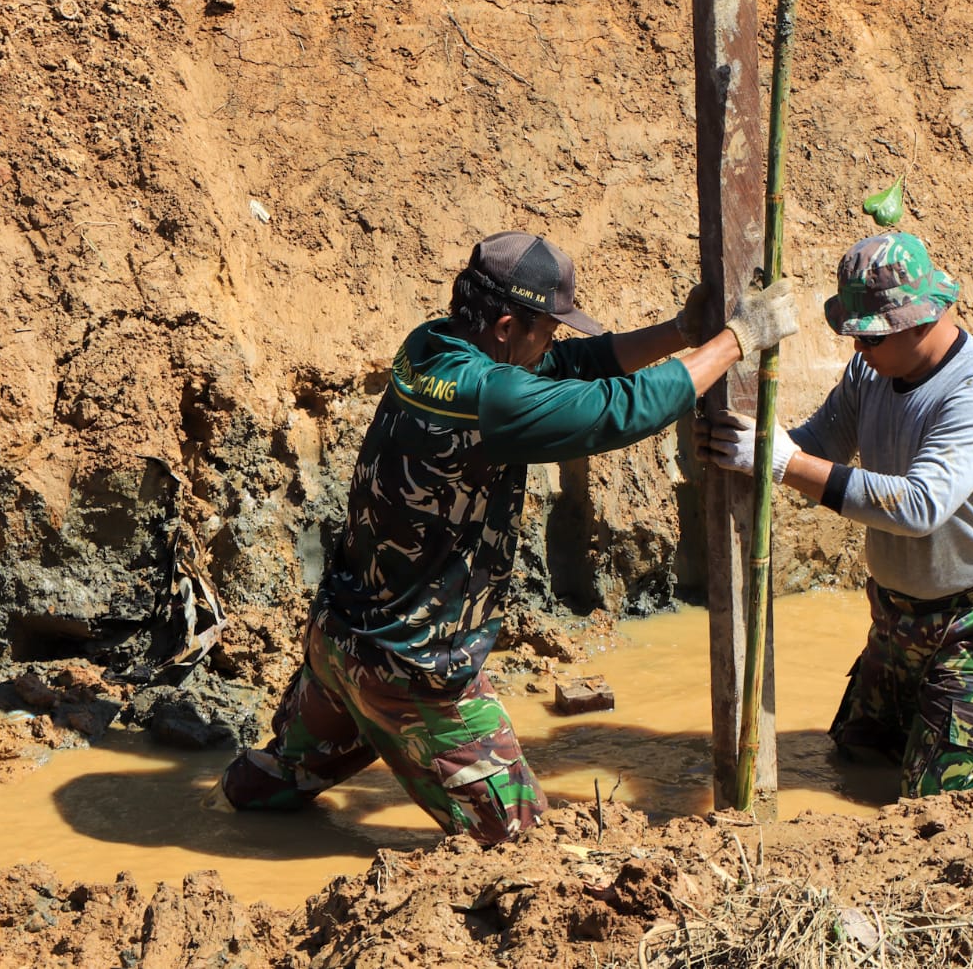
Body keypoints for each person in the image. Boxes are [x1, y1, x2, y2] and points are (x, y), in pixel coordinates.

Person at [211, 231, 797, 845]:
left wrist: (680, 331)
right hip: (414, 673)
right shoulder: (490, 397)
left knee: (279, 779)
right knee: (521, 847)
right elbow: (620, 409)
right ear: (506, 325)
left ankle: (209, 819)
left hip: (340, 636)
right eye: (546, 328)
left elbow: (575, 365)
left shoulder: (431, 346)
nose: (553, 341)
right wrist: (737, 341)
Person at [699, 231, 973, 797]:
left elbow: (918, 506)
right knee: (854, 764)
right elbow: (821, 443)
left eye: (871, 338)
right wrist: (761, 445)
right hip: (897, 620)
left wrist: (781, 464)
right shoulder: (872, 372)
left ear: (920, 322)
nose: (858, 351)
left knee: (936, 808)